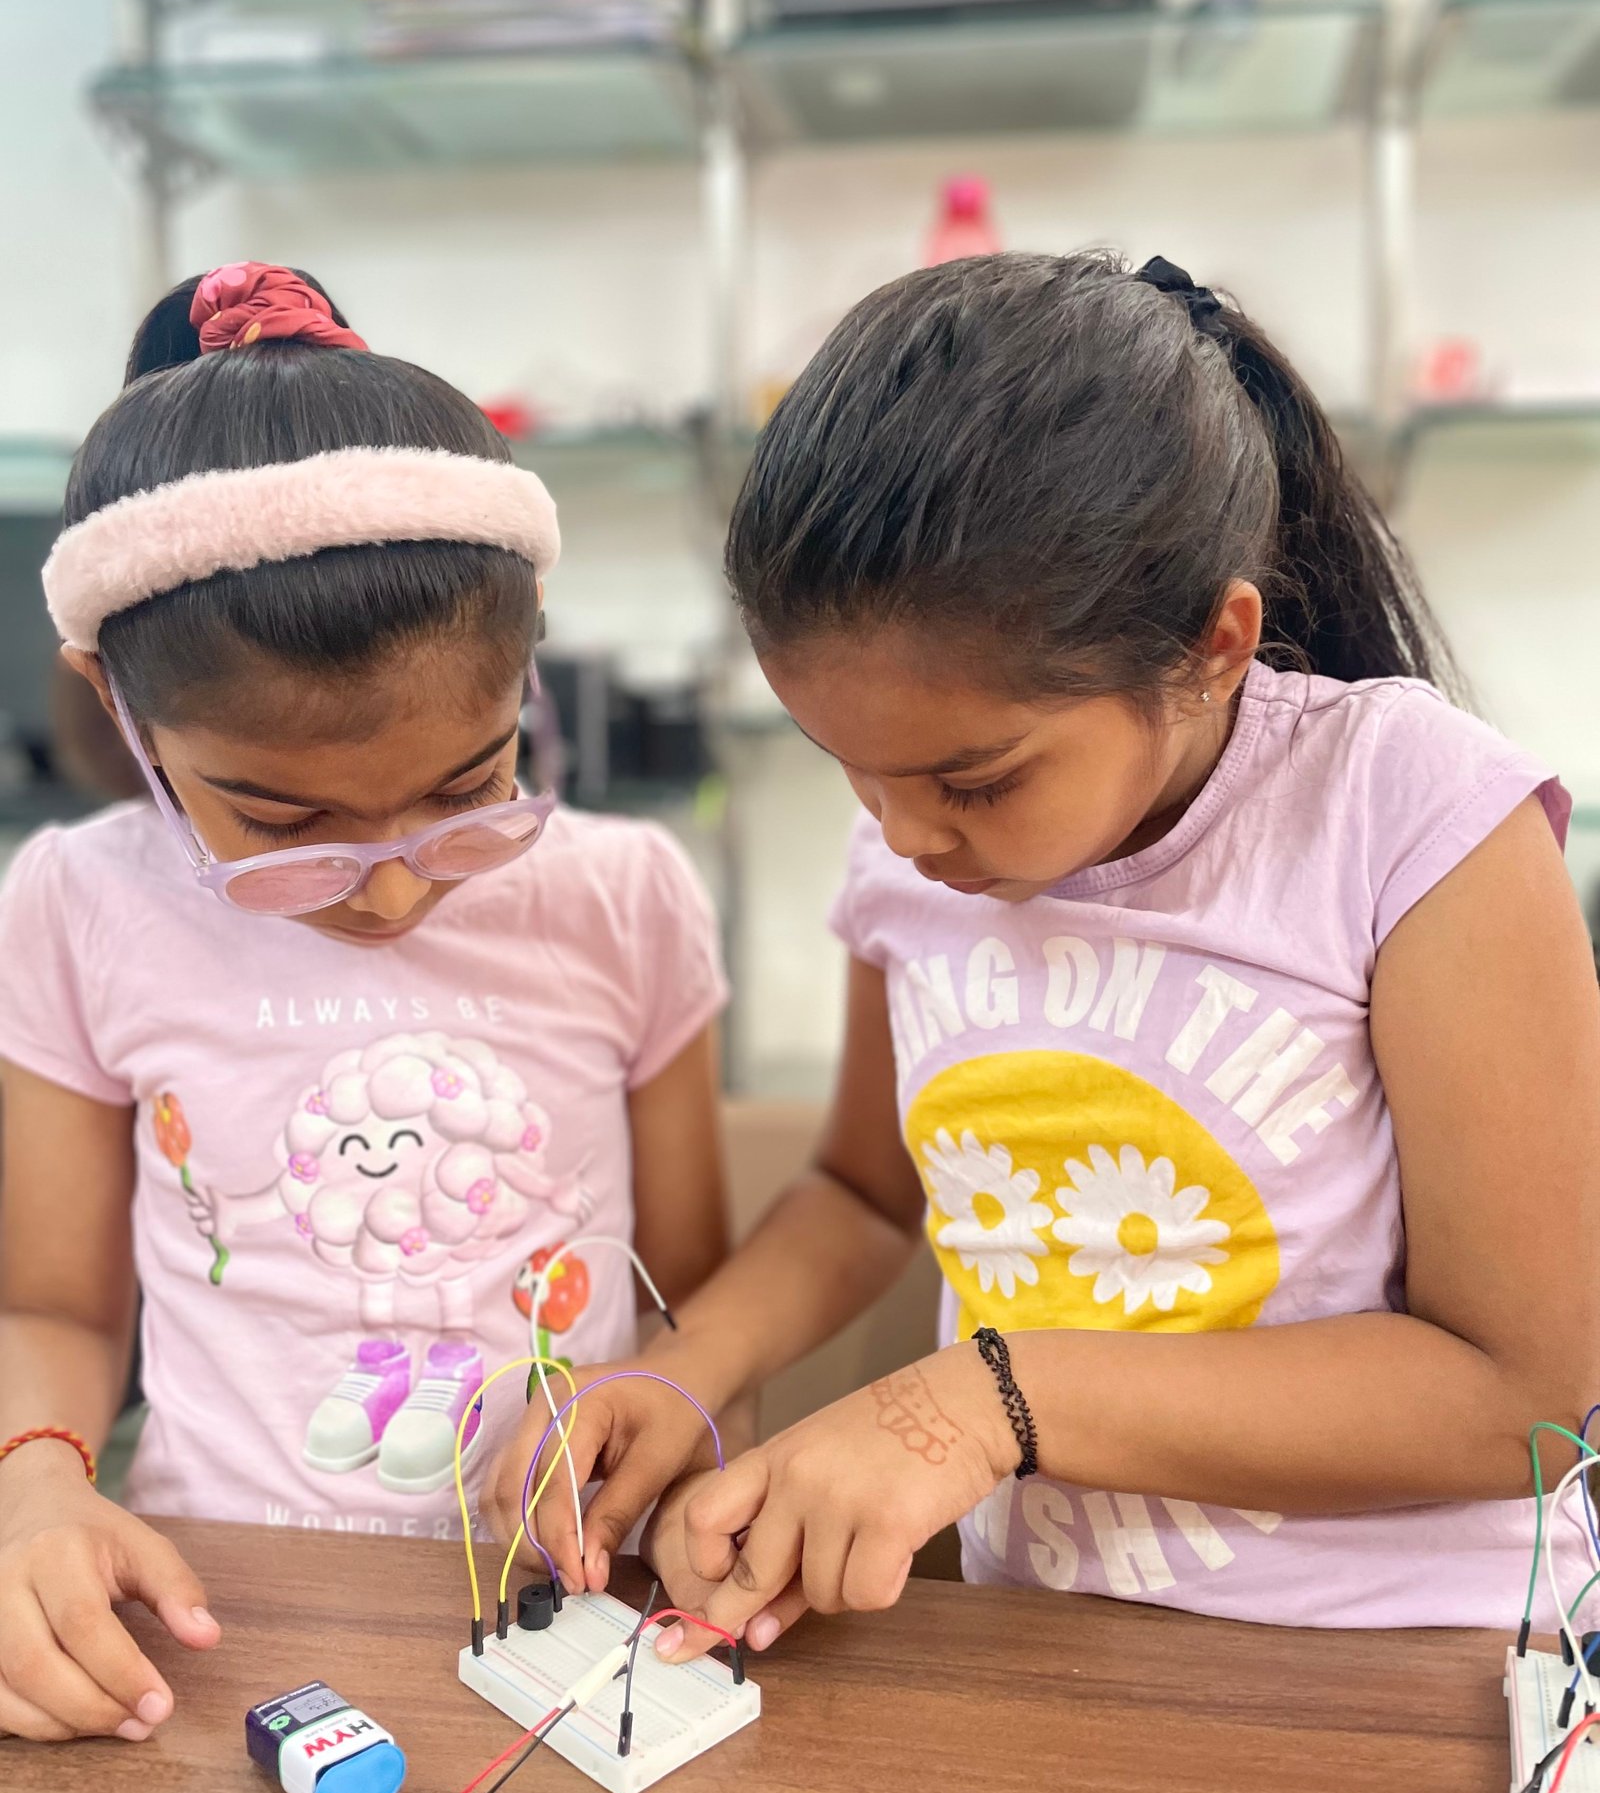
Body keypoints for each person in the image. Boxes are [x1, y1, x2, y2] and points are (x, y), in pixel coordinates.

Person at [503, 249, 1600, 1659]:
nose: (904, 834)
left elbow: (1529, 1394)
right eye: (850, 768)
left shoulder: (1411, 812)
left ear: (1212, 648)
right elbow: (860, 1192)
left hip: (1411, 1662)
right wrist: (687, 1368)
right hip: (1045, 1647)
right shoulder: (910, 847)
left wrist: (984, 1402)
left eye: (976, 779)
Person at [0, 263, 730, 1742]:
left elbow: (693, 1306)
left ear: (529, 662)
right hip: (213, 1611)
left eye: (469, 790)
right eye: (282, 826)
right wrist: (32, 1485)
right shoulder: (78, 905)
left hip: (568, 1609)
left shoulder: (624, 895)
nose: (392, 893)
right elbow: (55, 1304)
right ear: (121, 708)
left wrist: (685, 1467)